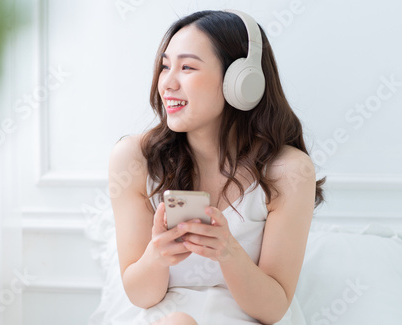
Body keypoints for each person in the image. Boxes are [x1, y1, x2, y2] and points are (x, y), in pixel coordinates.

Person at [108, 9, 325, 325]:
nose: (166, 83)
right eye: (165, 66)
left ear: (241, 81)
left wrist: (228, 252)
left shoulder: (289, 171)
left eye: (186, 67)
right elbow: (142, 297)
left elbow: (274, 308)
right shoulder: (134, 159)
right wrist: (157, 255)